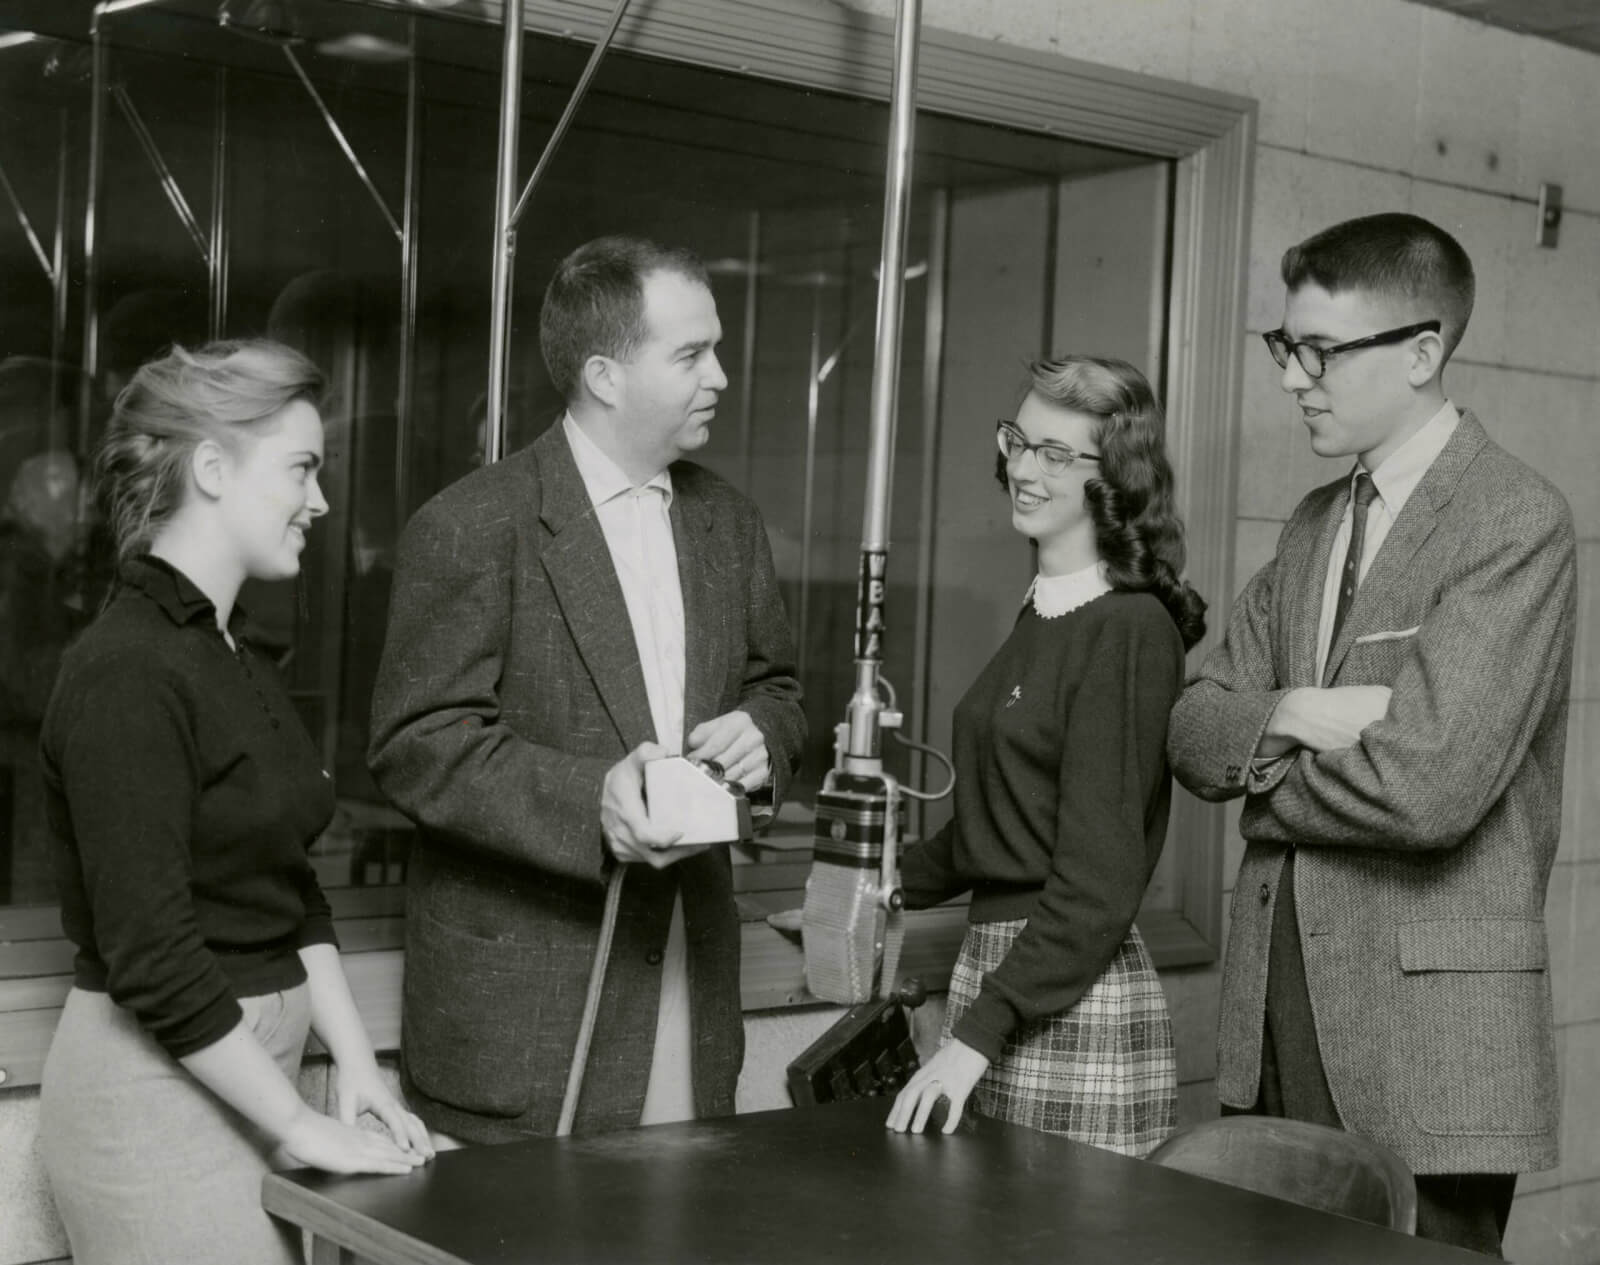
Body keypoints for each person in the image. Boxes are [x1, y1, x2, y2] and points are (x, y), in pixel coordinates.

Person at [1166, 212, 1575, 1258]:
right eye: (1285, 347)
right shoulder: (1311, 523)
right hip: (1277, 1012)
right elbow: (1192, 719)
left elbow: (1429, 786)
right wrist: (1296, 713)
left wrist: (1262, 789)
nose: (1295, 376)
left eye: (1321, 351)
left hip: (1431, 1040)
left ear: (1422, 351)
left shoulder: (1511, 520)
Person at [368, 236, 806, 1142]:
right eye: (691, 354)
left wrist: (764, 737)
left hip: (689, 986)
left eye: (714, 348)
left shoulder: (730, 523)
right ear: (604, 376)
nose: (721, 375)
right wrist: (591, 801)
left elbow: (779, 687)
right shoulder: (470, 525)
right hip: (527, 1023)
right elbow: (417, 744)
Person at [38, 340, 432, 1265]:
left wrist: (358, 1071)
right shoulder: (127, 668)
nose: (322, 501)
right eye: (301, 468)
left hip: (259, 1087)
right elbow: (153, 953)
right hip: (155, 1100)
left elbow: (290, 887)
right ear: (212, 468)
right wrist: (299, 1123)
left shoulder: (227, 652)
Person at [886, 355, 1206, 1157]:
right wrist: (884, 884)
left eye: (1057, 454)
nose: (1024, 469)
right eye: (1019, 442)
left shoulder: (1126, 627)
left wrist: (975, 1032)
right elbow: (1002, 824)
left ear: (1116, 478)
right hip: (1006, 982)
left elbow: (1096, 884)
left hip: (1067, 994)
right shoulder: (1045, 610)